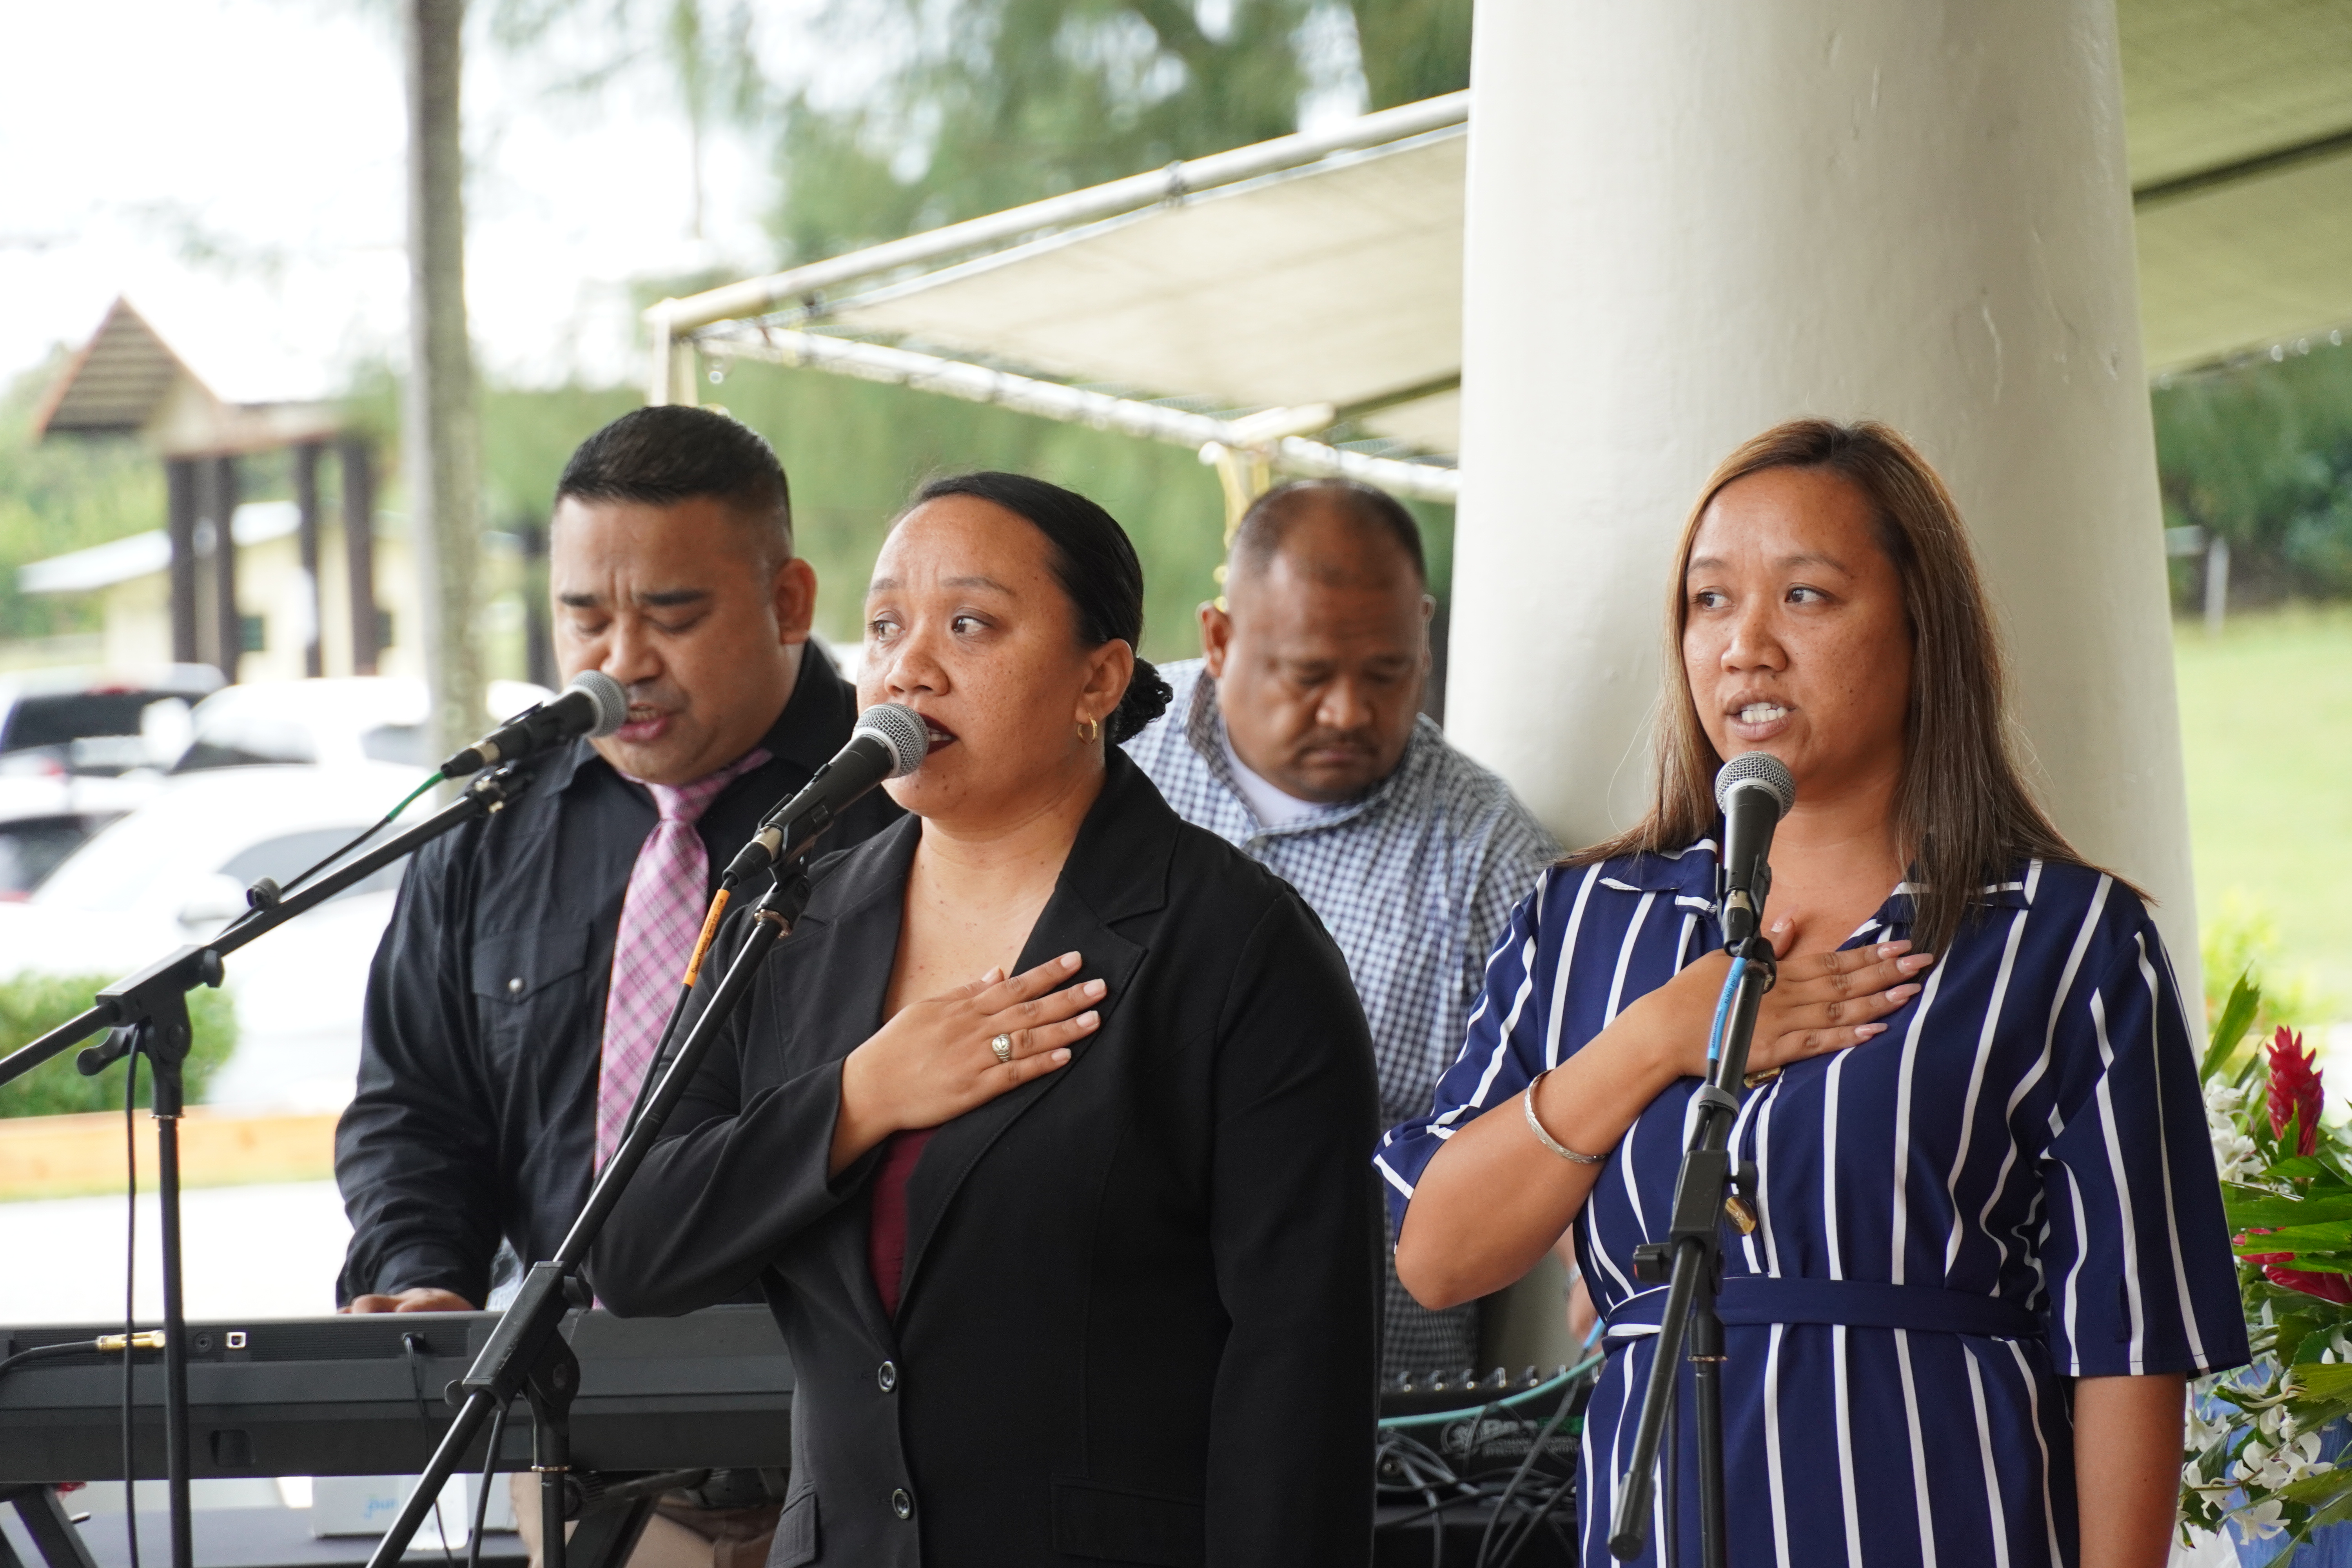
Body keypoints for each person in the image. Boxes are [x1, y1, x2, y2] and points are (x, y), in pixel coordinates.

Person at [1379, 420, 2247, 1568]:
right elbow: (1438, 1257)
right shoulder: (1587, 920)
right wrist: (1656, 1039)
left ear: (1921, 629)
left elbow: (2130, 1348)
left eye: (1807, 598)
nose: (1745, 647)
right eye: (1707, 602)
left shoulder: (2065, 940)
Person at [591, 471, 1381, 1568]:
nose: (909, 667)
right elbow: (629, 1249)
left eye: (969, 624)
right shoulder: (789, 920)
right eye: (883, 626)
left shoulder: (1235, 948)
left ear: (1097, 678)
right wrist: (860, 1098)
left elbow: (1300, 1375)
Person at [334, 407, 901, 1567]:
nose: (621, 660)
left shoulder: (898, 808)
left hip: (847, 1447)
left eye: (673, 614)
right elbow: (414, 1112)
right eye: (584, 617)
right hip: (565, 1451)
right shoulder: (491, 833)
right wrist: (423, 1276)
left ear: (790, 601)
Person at [1123, 478, 1556, 1376]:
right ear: (1219, 637)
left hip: (1367, 1429)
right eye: (1309, 674)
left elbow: (1560, 1125)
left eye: (1389, 672)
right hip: (1102, 1393)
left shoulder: (1491, 861)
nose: (1350, 712)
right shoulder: (1102, 768)